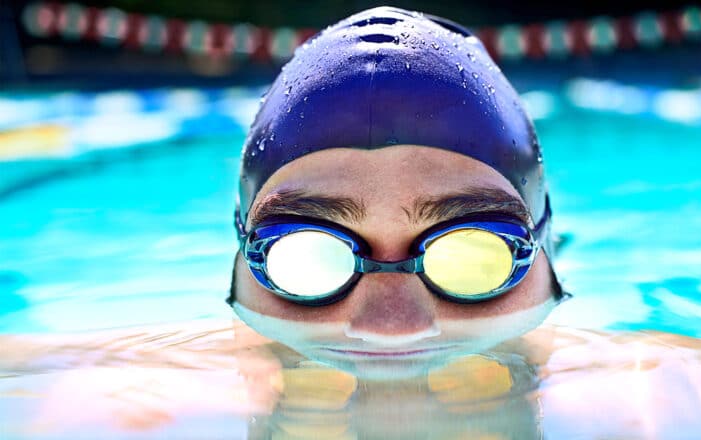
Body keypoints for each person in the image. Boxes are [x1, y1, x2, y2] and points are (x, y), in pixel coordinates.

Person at [228, 6, 567, 378]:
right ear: (242, 259)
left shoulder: (638, 398)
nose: (391, 332)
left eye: (471, 251)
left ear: (544, 249)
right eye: (307, 255)